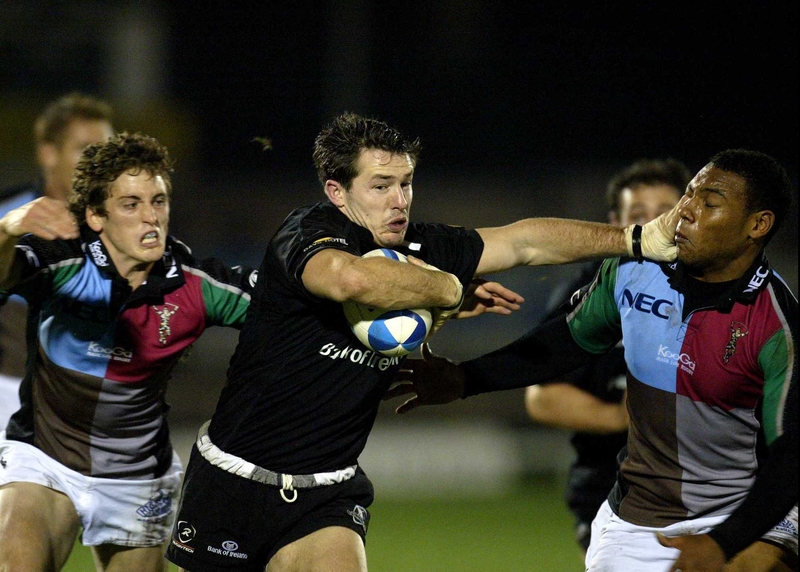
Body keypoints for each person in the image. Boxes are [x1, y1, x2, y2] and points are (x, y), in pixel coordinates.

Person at [165, 111, 682, 572]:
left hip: (325, 495)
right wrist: (449, 291)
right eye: (381, 186)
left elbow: (526, 240)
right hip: (232, 481)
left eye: (406, 184)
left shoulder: (423, 246)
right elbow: (353, 280)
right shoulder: (306, 233)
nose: (399, 202)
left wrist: (639, 240)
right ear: (336, 191)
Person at [386, 149, 798, 572]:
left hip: (745, 515)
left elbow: (791, 453)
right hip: (637, 520)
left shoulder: (778, 326)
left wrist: (723, 542)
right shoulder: (636, 271)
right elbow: (568, 341)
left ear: (757, 225)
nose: (686, 212)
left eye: (709, 203)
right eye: (688, 195)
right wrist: (464, 378)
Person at [0, 132, 258, 571]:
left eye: (158, 201)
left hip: (137, 477)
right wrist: (7, 227)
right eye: (131, 204)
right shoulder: (62, 262)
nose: (151, 218)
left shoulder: (198, 286)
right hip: (45, 458)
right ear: (96, 216)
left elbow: (289, 315)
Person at [524, 157, 690, 554]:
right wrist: (620, 417)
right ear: (615, 221)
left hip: (706, 494)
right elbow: (543, 396)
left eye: (665, 214)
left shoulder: (724, 290)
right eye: (638, 215)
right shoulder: (588, 292)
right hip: (609, 489)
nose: (653, 226)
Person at [0, 92, 115, 429]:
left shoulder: (122, 222)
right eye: (84, 148)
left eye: (106, 149)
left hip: (94, 402)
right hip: (11, 393)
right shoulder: (9, 214)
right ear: (49, 153)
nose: (98, 161)